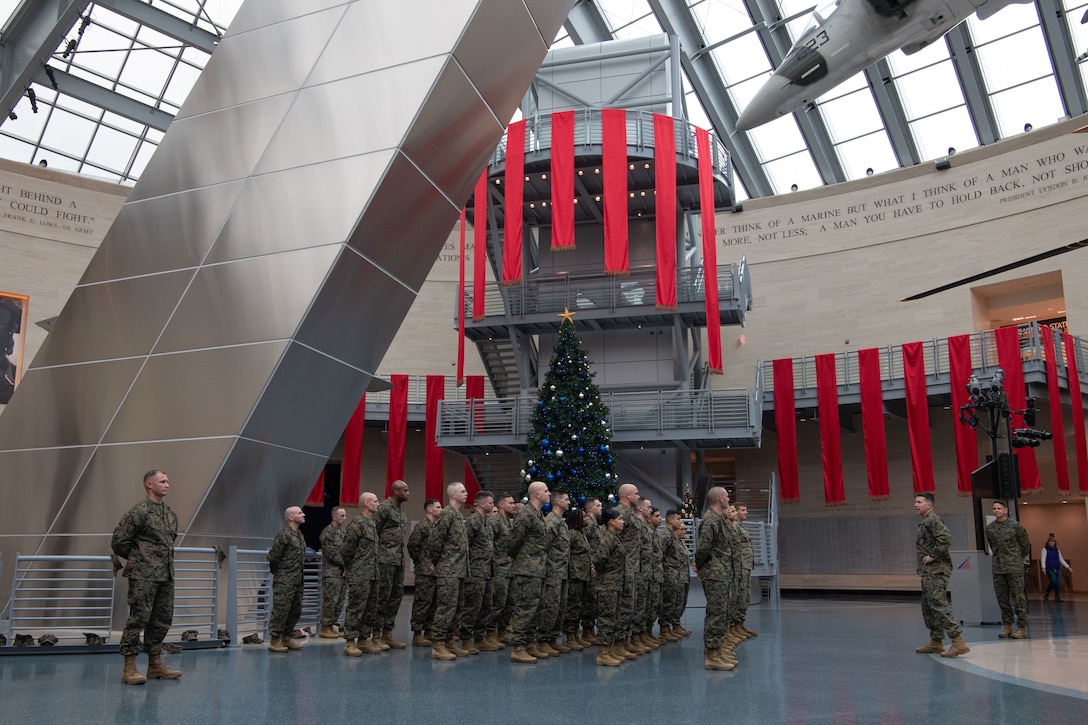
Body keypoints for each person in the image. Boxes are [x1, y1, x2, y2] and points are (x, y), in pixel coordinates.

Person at [111, 469, 181, 685]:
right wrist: (140, 559)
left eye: (168, 481)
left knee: (161, 620)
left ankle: (155, 664)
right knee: (138, 619)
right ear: (149, 485)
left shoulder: (169, 513)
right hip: (143, 576)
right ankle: (129, 667)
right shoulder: (139, 511)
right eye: (162, 481)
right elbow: (119, 541)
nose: (167, 485)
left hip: (165, 575)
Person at [913, 492, 969, 657]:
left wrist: (932, 556)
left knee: (938, 605)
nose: (916, 505)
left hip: (937, 571)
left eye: (919, 502)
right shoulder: (926, 522)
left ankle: (958, 641)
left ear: (929, 505)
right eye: (915, 502)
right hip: (928, 572)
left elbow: (946, 539)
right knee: (928, 607)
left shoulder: (933, 520)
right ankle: (936, 641)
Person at [694, 487, 736, 671]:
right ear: (720, 499)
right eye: (727, 496)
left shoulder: (719, 519)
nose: (729, 499)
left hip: (722, 573)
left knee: (722, 611)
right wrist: (703, 567)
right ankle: (712, 654)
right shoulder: (710, 520)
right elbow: (703, 549)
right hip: (715, 574)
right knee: (716, 613)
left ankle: (718, 649)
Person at [426, 481, 470, 660]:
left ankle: (450, 641)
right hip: (448, 570)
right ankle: (438, 645)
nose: (466, 493)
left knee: (456, 609)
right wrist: (437, 562)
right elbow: (435, 541)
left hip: (459, 570)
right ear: (453, 494)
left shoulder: (458, 515)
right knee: (445, 608)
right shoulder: (447, 515)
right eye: (462, 491)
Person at [507, 480, 549, 664]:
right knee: (525, 608)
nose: (549, 494)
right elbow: (514, 539)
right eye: (546, 491)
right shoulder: (526, 514)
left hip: (537, 568)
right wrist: (513, 556)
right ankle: (519, 648)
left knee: (536, 609)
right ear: (537, 494)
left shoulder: (537, 514)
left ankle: (529, 644)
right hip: (527, 569)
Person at [341, 492, 383, 656]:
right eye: (375, 501)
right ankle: (350, 642)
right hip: (360, 574)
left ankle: (364, 640)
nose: (378, 504)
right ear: (366, 503)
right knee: (356, 607)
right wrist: (351, 567)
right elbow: (346, 550)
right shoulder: (357, 524)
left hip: (373, 573)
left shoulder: (372, 524)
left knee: (370, 609)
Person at [985, 500, 1031, 639]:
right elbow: (993, 546)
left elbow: (1025, 545)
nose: (996, 511)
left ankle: (1022, 627)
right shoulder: (990, 528)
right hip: (998, 567)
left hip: (1014, 567)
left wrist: (1016, 559)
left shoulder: (1015, 526)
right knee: (1002, 598)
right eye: (994, 508)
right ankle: (1007, 626)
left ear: (1005, 510)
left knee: (1018, 598)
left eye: (999, 508)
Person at [266, 505, 307, 653]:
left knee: (295, 610)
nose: (303, 515)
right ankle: (275, 640)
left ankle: (286, 637)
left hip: (297, 581)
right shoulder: (284, 535)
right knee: (281, 610)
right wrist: (281, 574)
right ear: (290, 517)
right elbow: (273, 556)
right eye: (299, 513)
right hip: (285, 580)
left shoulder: (299, 535)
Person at [592, 507, 629, 666]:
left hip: (615, 583)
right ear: (611, 522)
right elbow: (600, 559)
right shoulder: (607, 538)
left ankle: (611, 648)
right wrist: (603, 574)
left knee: (613, 617)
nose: (623, 522)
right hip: (607, 584)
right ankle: (603, 653)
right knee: (606, 618)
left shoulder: (615, 538)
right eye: (620, 519)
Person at [374, 480, 409, 649]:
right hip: (384, 559)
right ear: (396, 491)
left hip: (398, 560)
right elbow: (374, 531)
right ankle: (375, 635)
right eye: (405, 490)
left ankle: (387, 633)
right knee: (382, 596)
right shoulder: (384, 508)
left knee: (395, 596)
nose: (408, 493)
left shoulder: (401, 509)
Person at [462, 490, 496, 652]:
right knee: (472, 606)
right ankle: (466, 640)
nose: (493, 505)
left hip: (487, 570)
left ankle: (479, 638)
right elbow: (465, 544)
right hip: (475, 571)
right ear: (482, 504)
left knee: (486, 605)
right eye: (490, 502)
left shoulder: (485, 522)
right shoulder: (473, 521)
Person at [538, 491, 571, 654]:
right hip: (552, 571)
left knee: (560, 606)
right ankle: (543, 639)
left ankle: (552, 638)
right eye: (566, 499)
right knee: (550, 606)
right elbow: (544, 546)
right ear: (557, 502)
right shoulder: (550, 521)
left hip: (562, 571)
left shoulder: (561, 522)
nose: (569, 502)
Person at [407, 498, 442, 645]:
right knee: (422, 602)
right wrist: (421, 562)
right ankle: (417, 633)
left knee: (434, 602)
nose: (441, 509)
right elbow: (412, 546)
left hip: (436, 571)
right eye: (438, 507)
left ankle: (429, 630)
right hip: (425, 571)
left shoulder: (438, 526)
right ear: (429, 509)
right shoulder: (422, 526)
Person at [615, 483, 644, 656]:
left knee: (628, 606)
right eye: (636, 493)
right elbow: (612, 539)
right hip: (622, 568)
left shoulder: (629, 514)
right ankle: (617, 643)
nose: (638, 497)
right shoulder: (620, 514)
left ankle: (623, 640)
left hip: (631, 567)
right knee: (623, 606)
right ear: (627, 496)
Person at [486, 493, 516, 647]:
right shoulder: (494, 522)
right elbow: (488, 545)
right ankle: (490, 633)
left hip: (510, 570)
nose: (513, 505)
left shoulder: (509, 523)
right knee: (498, 603)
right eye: (510, 503)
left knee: (510, 603)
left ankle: (502, 632)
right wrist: (498, 561)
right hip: (499, 569)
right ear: (501, 505)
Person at [563, 507, 592, 651]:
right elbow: (566, 554)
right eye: (584, 517)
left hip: (583, 575)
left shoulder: (582, 533)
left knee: (579, 606)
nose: (587, 519)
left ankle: (575, 635)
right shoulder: (572, 534)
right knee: (573, 606)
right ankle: (570, 636)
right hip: (575, 575)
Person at [659, 510, 691, 639]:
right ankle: (665, 629)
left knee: (677, 602)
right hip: (670, 576)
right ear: (671, 520)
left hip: (678, 576)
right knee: (668, 603)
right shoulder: (665, 536)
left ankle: (674, 626)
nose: (680, 522)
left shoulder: (672, 536)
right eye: (678, 519)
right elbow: (660, 556)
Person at [318, 507, 347, 638]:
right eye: (342, 516)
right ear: (334, 517)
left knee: (339, 601)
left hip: (342, 573)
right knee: (331, 601)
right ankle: (325, 627)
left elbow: (347, 551)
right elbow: (332, 554)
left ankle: (331, 625)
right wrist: (346, 564)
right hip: (331, 572)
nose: (344, 518)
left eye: (345, 515)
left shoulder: (342, 533)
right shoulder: (327, 533)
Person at [734, 503, 757, 637]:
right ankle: (735, 626)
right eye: (743, 510)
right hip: (741, 566)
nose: (745, 512)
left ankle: (740, 624)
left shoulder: (740, 527)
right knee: (740, 596)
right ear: (736, 512)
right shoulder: (735, 527)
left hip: (746, 565)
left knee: (745, 596)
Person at [1041, 534, 1072, 602]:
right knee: (1054, 581)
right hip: (1049, 567)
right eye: (1050, 542)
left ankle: (1057, 597)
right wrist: (1043, 567)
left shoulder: (1057, 550)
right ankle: (1047, 593)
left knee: (1057, 582)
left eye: (1052, 542)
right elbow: (1043, 559)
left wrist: (1068, 567)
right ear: (1048, 543)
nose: (1051, 543)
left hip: (1057, 567)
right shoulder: (1045, 550)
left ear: (1055, 543)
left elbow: (1061, 559)